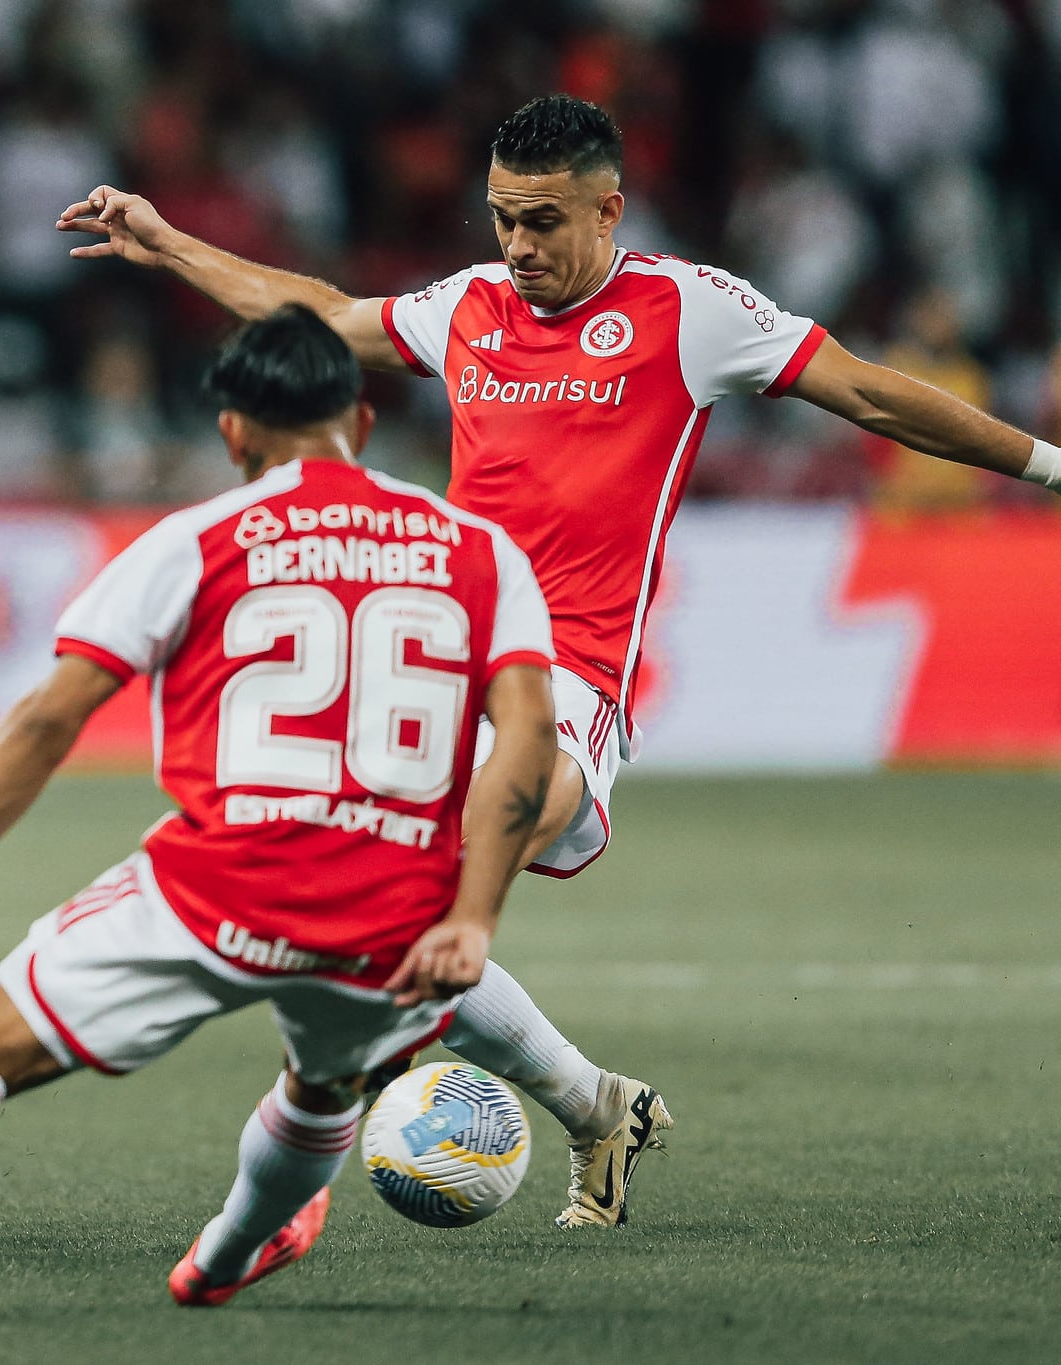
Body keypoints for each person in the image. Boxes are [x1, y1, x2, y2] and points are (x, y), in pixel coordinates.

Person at [51, 94, 1061, 1227]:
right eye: (500, 219)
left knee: (397, 896)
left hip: (566, 684)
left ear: (608, 210)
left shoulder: (687, 310)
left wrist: (1048, 467)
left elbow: (869, 392)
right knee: (368, 907)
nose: (517, 247)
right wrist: (167, 245)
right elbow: (327, 317)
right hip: (435, 677)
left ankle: (302, 1156)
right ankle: (595, 1107)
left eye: (541, 222)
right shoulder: (470, 305)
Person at [0, 304, 560, 1331]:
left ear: (232, 432)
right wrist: (474, 914)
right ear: (363, 422)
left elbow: (46, 720)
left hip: (213, 889)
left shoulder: (195, 539)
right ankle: (225, 1256)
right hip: (393, 915)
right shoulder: (479, 549)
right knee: (323, 1093)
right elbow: (526, 741)